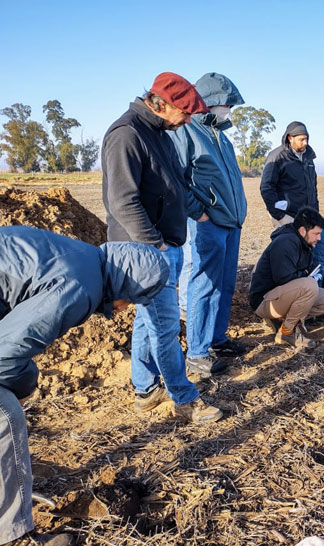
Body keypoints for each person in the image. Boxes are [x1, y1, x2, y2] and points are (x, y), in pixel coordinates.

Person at [0, 226, 170, 546]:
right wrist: (24, 388)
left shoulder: (83, 260)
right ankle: (12, 536)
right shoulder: (79, 286)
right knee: (5, 413)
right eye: (133, 299)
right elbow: (4, 353)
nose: (125, 308)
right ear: (127, 284)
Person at [102, 72, 222, 424]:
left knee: (148, 320)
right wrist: (155, 244)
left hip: (163, 246)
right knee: (166, 327)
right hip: (145, 252)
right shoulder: (126, 134)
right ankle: (184, 398)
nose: (186, 121)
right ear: (161, 103)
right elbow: (122, 202)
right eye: (184, 113)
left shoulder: (159, 134)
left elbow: (173, 184)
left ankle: (144, 390)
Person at [170, 72, 248, 377]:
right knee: (204, 285)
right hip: (208, 223)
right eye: (226, 104)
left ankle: (217, 339)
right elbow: (177, 179)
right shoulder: (188, 131)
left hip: (231, 223)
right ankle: (198, 353)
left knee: (225, 284)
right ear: (210, 101)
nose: (228, 110)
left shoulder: (221, 137)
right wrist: (198, 212)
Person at [249, 207, 324, 349]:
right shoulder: (286, 242)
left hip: (282, 295)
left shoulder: (304, 243)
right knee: (309, 286)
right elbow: (283, 278)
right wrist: (307, 276)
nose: (319, 238)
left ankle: (283, 320)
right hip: (264, 300)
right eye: (316, 234)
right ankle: (286, 332)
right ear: (303, 231)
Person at [259, 121, 318, 228]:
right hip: (287, 216)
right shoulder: (277, 157)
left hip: (308, 217)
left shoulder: (308, 157)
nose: (305, 143)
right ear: (290, 138)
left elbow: (313, 187)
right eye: (301, 140)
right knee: (289, 239)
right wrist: (280, 216)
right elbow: (266, 187)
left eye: (306, 139)